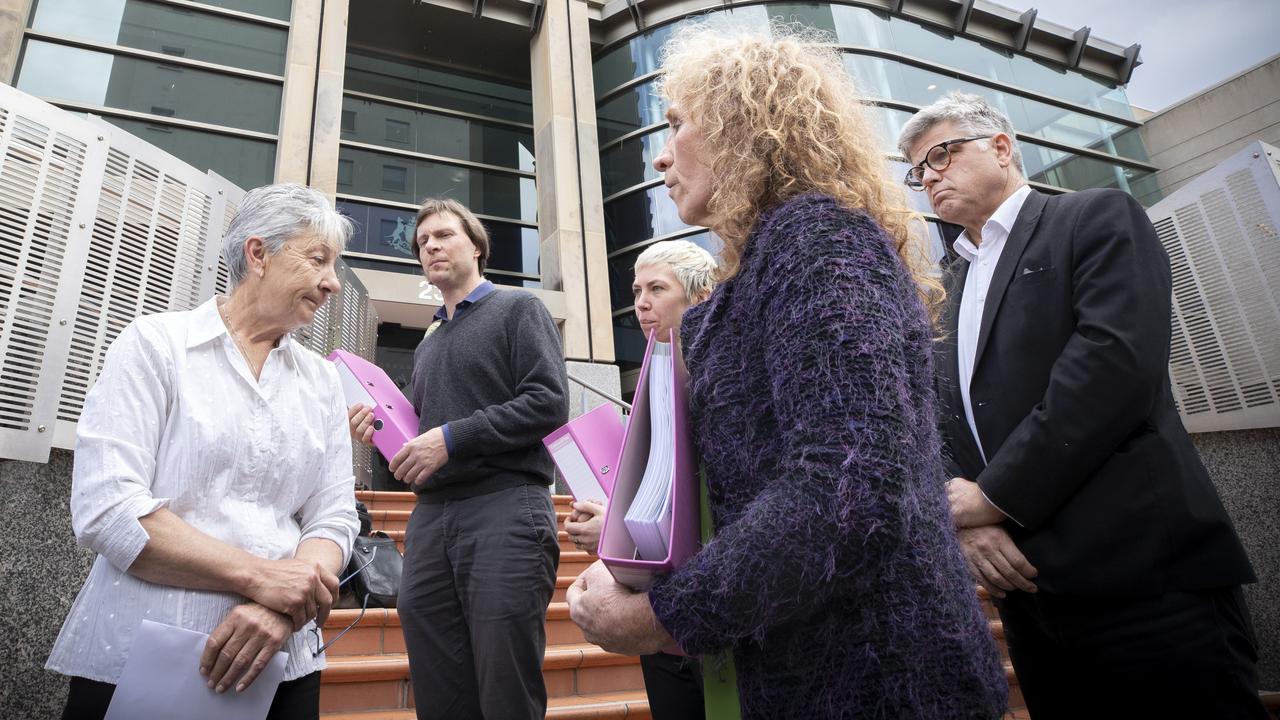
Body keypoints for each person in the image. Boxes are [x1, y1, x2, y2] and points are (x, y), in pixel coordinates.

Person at [565, 26, 1007, 719]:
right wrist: (631, 554)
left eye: (678, 124)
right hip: (791, 671)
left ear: (744, 124)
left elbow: (847, 485)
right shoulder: (744, 283)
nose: (659, 156)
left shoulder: (821, 240)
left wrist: (667, 617)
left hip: (881, 676)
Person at [896, 91, 1264, 719]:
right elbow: (933, 412)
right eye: (917, 170)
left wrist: (996, 495)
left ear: (1002, 147)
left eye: (941, 154)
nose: (928, 176)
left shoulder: (1096, 217)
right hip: (1030, 594)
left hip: (1145, 581)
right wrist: (965, 511)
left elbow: (1112, 367)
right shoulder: (949, 285)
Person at [46, 183, 361, 720]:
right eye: (318, 259)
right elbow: (109, 510)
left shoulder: (323, 382)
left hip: (283, 662)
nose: (332, 282)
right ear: (258, 254)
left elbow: (333, 516)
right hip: (146, 657)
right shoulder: (154, 346)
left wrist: (280, 609)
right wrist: (262, 579)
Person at [348, 198, 568, 720]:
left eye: (443, 235)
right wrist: (375, 430)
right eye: (422, 242)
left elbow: (548, 403)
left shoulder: (519, 309)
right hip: (431, 519)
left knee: (504, 685)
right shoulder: (428, 344)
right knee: (437, 682)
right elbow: (416, 433)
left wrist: (451, 437)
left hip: (506, 506)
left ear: (475, 245)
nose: (431, 247)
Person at [564, 238, 716, 720]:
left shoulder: (724, 379)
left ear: (701, 295)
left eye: (657, 288)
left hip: (712, 614)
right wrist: (610, 528)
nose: (642, 303)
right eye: (636, 291)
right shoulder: (652, 387)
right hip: (657, 618)